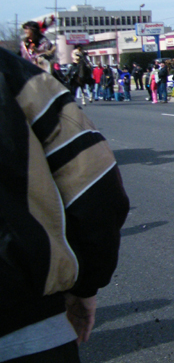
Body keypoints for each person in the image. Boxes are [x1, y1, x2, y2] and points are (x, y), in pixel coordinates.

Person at [0, 47, 129, 362]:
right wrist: (87, 284)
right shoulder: (15, 73)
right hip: (25, 317)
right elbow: (94, 184)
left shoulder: (35, 57)